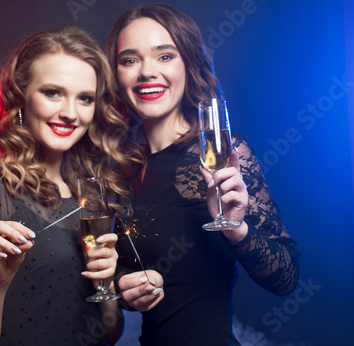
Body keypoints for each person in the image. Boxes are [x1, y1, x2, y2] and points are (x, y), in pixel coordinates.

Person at [106, 3, 301, 345]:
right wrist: (123, 289)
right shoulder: (121, 172)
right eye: (130, 60)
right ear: (116, 74)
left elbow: (286, 279)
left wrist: (237, 228)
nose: (146, 72)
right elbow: (124, 268)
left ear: (188, 64)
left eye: (165, 56)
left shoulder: (224, 156)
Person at [0, 27, 144, 345]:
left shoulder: (90, 197)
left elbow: (110, 332)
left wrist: (105, 284)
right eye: (53, 92)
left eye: (85, 99)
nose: (70, 113)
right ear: (20, 98)